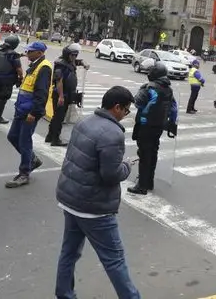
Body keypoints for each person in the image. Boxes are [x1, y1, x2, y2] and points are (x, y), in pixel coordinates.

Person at [54, 86, 141, 299]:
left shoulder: (85, 121)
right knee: (114, 259)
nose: (125, 115)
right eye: (126, 111)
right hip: (93, 208)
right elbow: (111, 174)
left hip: (70, 199)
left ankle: (64, 294)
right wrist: (127, 166)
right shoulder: (112, 133)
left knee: (69, 252)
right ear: (117, 107)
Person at [5, 42, 53, 189]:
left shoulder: (44, 67)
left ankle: (24, 173)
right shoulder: (35, 64)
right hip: (22, 109)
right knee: (13, 136)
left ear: (39, 53)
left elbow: (42, 93)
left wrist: (34, 113)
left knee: (24, 141)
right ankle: (32, 160)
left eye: (30, 51)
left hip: (30, 111)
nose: (28, 53)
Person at [128, 63, 178, 195]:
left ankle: (142, 186)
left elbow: (137, 102)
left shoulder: (148, 88)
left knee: (144, 154)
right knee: (153, 152)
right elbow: (173, 108)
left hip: (145, 125)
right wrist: (172, 123)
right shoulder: (168, 89)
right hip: (159, 126)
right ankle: (149, 182)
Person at [46, 43, 88, 146]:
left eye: (75, 55)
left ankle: (50, 136)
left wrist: (83, 63)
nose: (74, 57)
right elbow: (59, 81)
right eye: (72, 55)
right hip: (60, 95)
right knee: (59, 118)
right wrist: (61, 96)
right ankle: (55, 139)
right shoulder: (61, 64)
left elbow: (77, 62)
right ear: (67, 54)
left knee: (57, 116)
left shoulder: (70, 62)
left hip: (67, 94)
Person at [0, 35, 23, 124]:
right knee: (3, 98)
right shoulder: (14, 55)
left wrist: (20, 55)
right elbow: (18, 68)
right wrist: (21, 77)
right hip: (8, 79)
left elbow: (8, 56)